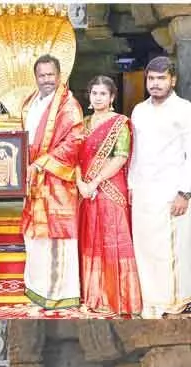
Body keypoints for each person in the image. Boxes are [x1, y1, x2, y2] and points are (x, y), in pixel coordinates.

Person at [128, 56, 191, 318]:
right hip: (143, 191)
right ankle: (151, 300)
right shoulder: (138, 111)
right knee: (145, 248)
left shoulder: (184, 109)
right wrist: (131, 185)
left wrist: (184, 192)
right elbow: (135, 152)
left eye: (160, 78)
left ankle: (175, 301)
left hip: (171, 191)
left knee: (172, 249)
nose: (154, 84)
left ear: (172, 80)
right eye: (151, 79)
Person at [20, 54, 84, 310]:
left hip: (57, 182)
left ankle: (59, 293)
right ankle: (37, 286)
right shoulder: (30, 102)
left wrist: (41, 163)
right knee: (35, 236)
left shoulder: (69, 105)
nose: (46, 80)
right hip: (33, 179)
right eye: (42, 75)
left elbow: (75, 141)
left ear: (59, 76)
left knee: (57, 237)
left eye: (50, 75)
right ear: (35, 77)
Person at [76, 75, 141, 315]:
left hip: (110, 188)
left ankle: (115, 298)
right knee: (89, 239)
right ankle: (91, 296)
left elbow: (121, 157)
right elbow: (74, 157)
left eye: (103, 93)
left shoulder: (119, 123)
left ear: (112, 97)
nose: (98, 97)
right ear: (90, 97)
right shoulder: (82, 124)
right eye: (95, 93)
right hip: (85, 190)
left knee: (111, 238)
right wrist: (81, 184)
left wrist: (95, 182)